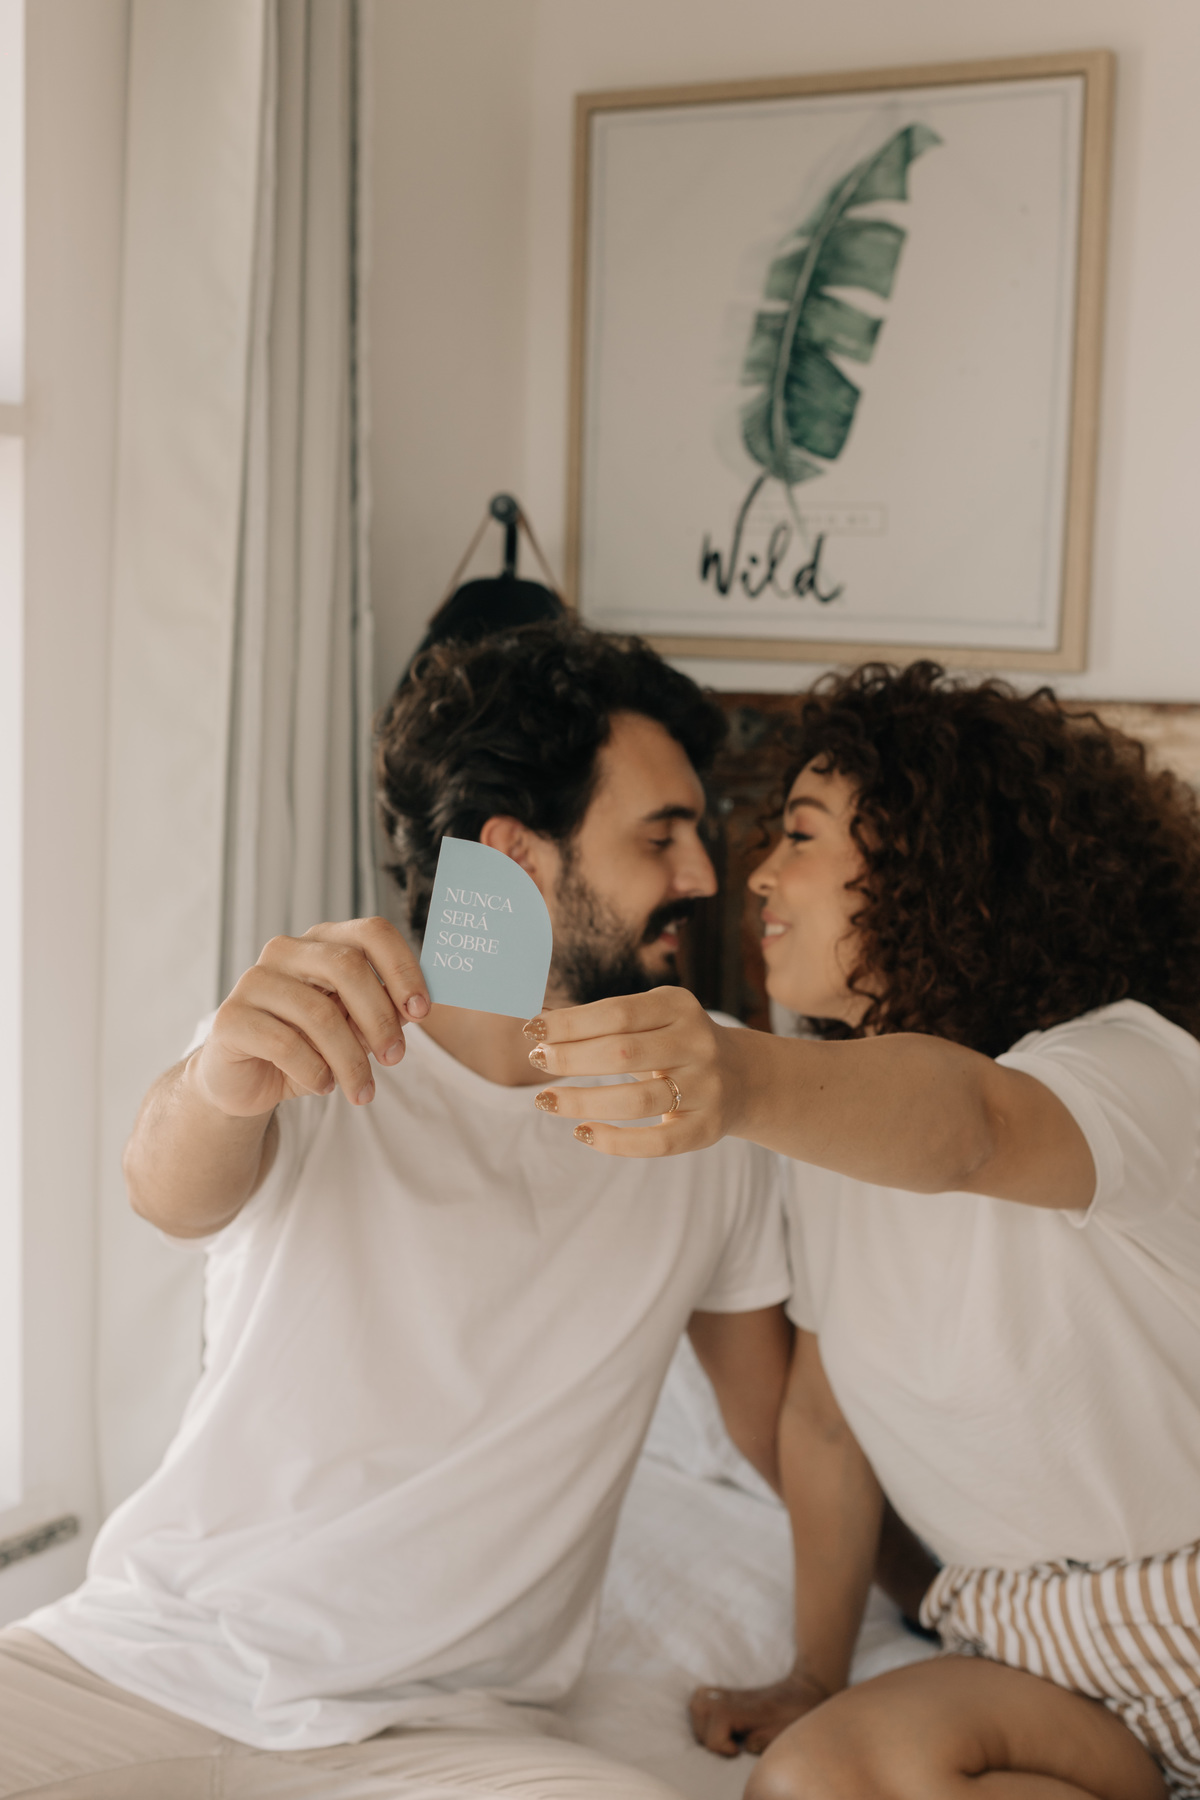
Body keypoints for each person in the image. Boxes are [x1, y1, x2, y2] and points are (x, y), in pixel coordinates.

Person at [0, 622, 797, 1800]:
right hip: (141, 1665)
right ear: (517, 855)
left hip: (447, 1741)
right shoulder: (315, 1032)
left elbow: (780, 1422)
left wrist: (922, 1608)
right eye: (659, 836)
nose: (704, 878)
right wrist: (215, 1082)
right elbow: (165, 1191)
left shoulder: (715, 1098)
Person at [527, 661, 1200, 1800]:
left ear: (940, 865)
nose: (757, 874)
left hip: (1183, 1601)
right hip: (1031, 1651)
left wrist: (740, 1074)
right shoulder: (822, 1148)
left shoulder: (1130, 1065)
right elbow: (826, 1427)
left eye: (800, 834)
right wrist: (813, 1673)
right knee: (807, 1782)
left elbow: (975, 1128)